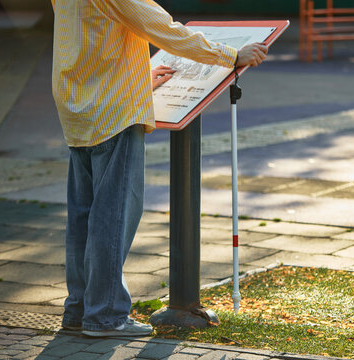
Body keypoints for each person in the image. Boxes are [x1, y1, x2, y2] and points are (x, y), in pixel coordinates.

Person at [50, 0, 267, 337]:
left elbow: (87, 38)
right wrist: (231, 55)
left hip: (77, 105)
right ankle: (105, 316)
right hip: (113, 114)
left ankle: (78, 310)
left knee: (83, 218)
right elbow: (162, 28)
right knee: (113, 217)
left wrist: (137, 77)